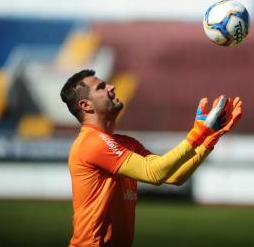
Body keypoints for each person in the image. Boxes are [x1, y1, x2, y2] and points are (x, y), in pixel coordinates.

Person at [60, 69, 242, 247]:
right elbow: (154, 173)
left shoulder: (125, 143)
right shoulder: (91, 142)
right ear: (86, 105)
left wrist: (208, 140)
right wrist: (199, 133)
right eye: (100, 87)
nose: (111, 86)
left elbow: (174, 176)